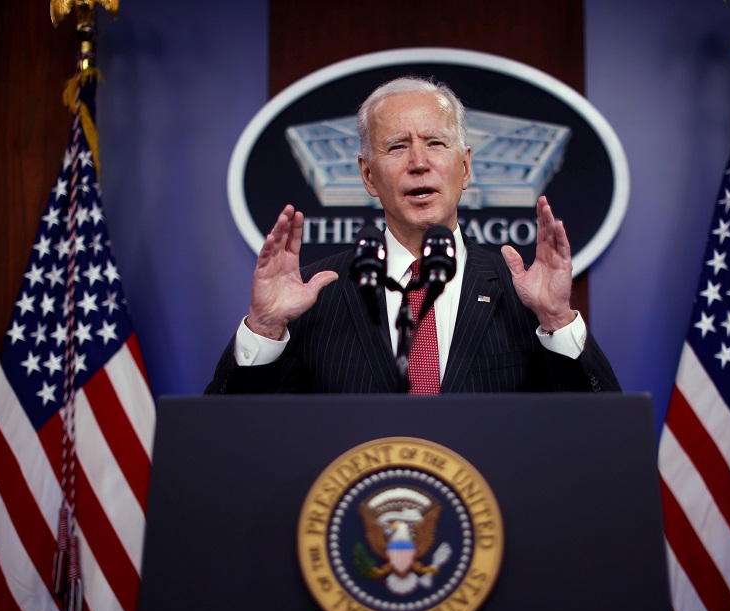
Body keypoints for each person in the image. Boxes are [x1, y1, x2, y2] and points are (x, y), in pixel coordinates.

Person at [206, 76, 620, 395]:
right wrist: (263, 328)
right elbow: (231, 438)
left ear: (466, 167)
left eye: (436, 143)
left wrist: (557, 320)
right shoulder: (313, 297)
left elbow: (601, 432)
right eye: (398, 147)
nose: (419, 163)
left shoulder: (522, 293)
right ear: (368, 174)